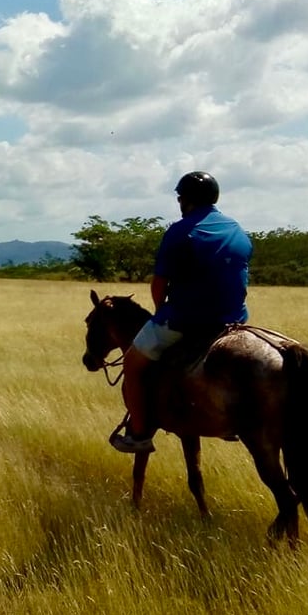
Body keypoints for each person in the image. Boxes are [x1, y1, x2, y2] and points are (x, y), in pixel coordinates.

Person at [109, 171, 253, 454]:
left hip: (186, 319)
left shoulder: (181, 230)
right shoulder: (237, 229)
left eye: (180, 197)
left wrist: (160, 312)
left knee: (133, 364)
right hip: (235, 321)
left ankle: (139, 435)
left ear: (185, 200)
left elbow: (160, 283)